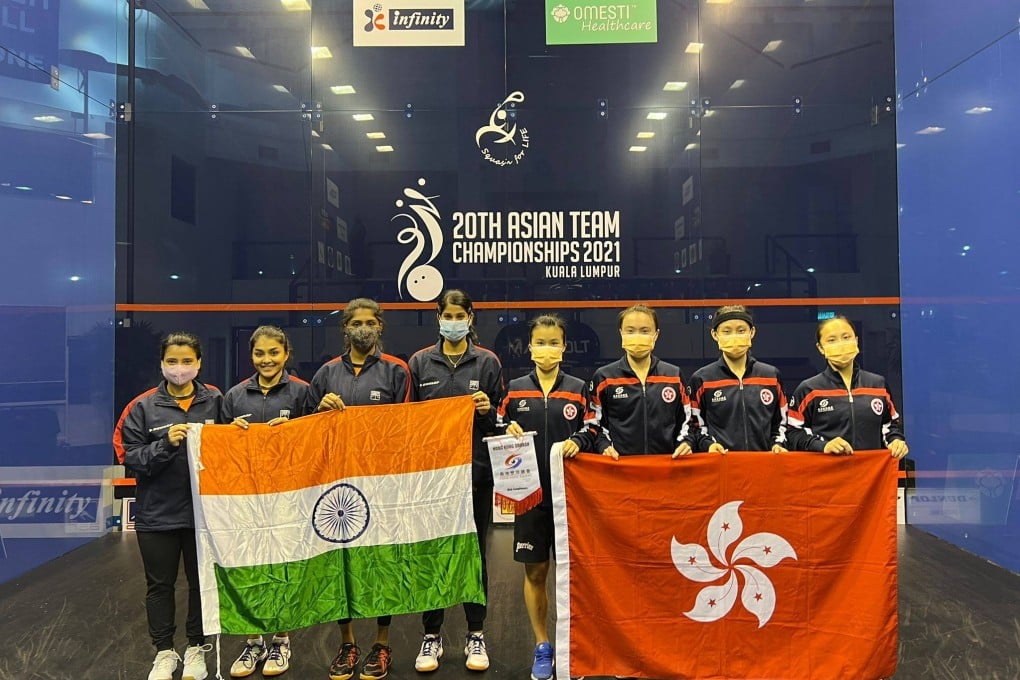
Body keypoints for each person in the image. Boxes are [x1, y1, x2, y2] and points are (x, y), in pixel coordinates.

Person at [306, 298, 411, 680]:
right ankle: (347, 643)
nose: (362, 328)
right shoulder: (325, 374)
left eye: (370, 322)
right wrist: (320, 411)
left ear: (380, 326)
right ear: (344, 328)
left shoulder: (397, 371)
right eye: (355, 322)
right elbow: (307, 431)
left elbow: (409, 427)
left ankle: (382, 644)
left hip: (381, 484)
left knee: (381, 566)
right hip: (338, 488)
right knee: (340, 565)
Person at [112, 332, 223, 680]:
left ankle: (195, 649)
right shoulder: (141, 406)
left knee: (198, 584)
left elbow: (234, 443)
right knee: (159, 586)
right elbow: (129, 457)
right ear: (162, 364)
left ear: (199, 363)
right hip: (157, 515)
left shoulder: (216, 400)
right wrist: (165, 444)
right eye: (172, 361)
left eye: (187, 361)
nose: (180, 368)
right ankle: (164, 652)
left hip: (203, 514)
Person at [408, 289, 504, 673]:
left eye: (458, 314)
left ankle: (475, 633)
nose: (452, 321)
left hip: (475, 476)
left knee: (473, 556)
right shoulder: (419, 363)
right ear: (438, 318)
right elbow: (408, 424)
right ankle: (431, 636)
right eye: (446, 315)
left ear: (470, 317)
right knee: (434, 556)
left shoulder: (487, 363)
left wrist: (486, 411)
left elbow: (499, 423)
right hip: (433, 481)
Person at [497, 314, 594, 680]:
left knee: (575, 575)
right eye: (540, 342)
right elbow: (499, 424)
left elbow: (593, 428)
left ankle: (574, 646)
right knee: (536, 572)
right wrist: (507, 427)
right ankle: (543, 646)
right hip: (529, 497)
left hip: (572, 498)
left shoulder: (579, 388)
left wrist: (579, 440)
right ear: (530, 346)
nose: (547, 349)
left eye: (554, 342)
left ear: (564, 347)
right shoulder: (516, 388)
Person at [223, 326, 309, 678]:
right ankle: (253, 641)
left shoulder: (303, 392)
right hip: (246, 498)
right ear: (251, 356)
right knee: (250, 567)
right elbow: (219, 447)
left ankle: (281, 640)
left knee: (282, 569)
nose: (267, 360)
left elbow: (317, 443)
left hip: (289, 497)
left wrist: (294, 432)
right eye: (260, 353)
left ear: (286, 354)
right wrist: (230, 435)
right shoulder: (234, 396)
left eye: (274, 352)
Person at [787, 315, 909, 458]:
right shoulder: (809, 389)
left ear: (856, 341)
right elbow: (793, 432)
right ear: (820, 348)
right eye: (831, 340)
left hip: (869, 475)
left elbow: (890, 426)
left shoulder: (878, 385)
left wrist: (896, 441)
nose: (841, 344)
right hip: (827, 475)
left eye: (846, 337)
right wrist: (823, 445)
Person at [679, 305, 788, 456]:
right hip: (721, 466)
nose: (734, 336)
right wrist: (709, 445)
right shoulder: (702, 379)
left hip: (764, 465)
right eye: (726, 331)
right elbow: (695, 426)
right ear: (715, 334)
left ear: (752, 332)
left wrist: (777, 444)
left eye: (741, 330)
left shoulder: (771, 376)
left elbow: (781, 423)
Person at [588, 304, 691, 458]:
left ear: (656, 335)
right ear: (621, 333)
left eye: (644, 331)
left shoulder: (673, 375)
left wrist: (686, 442)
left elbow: (688, 421)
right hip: (621, 468)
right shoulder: (604, 377)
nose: (637, 335)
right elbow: (594, 423)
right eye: (630, 331)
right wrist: (604, 445)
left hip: (666, 467)